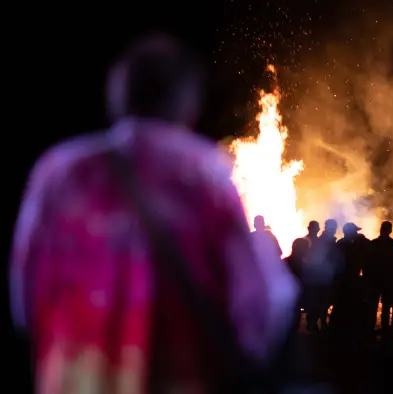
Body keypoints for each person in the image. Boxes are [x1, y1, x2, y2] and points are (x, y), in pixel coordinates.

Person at [9, 34, 298, 393]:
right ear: (189, 103)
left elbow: (24, 296)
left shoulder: (59, 172)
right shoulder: (202, 172)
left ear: (117, 95)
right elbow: (264, 301)